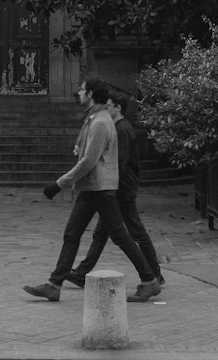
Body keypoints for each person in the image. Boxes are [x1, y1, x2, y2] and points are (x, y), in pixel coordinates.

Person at [23, 77, 162, 304]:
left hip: (100, 187)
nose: (79, 93)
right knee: (73, 234)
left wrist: (59, 184)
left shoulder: (99, 122)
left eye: (82, 90)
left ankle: (150, 280)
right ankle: (54, 285)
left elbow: (89, 161)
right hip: (93, 187)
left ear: (91, 94)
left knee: (120, 236)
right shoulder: (95, 118)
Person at [64, 90, 164, 287]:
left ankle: (154, 274)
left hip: (120, 189)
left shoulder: (122, 129)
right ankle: (82, 272)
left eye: (108, 106)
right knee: (103, 232)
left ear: (117, 108)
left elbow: (119, 161)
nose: (105, 109)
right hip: (115, 188)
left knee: (134, 231)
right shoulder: (117, 127)